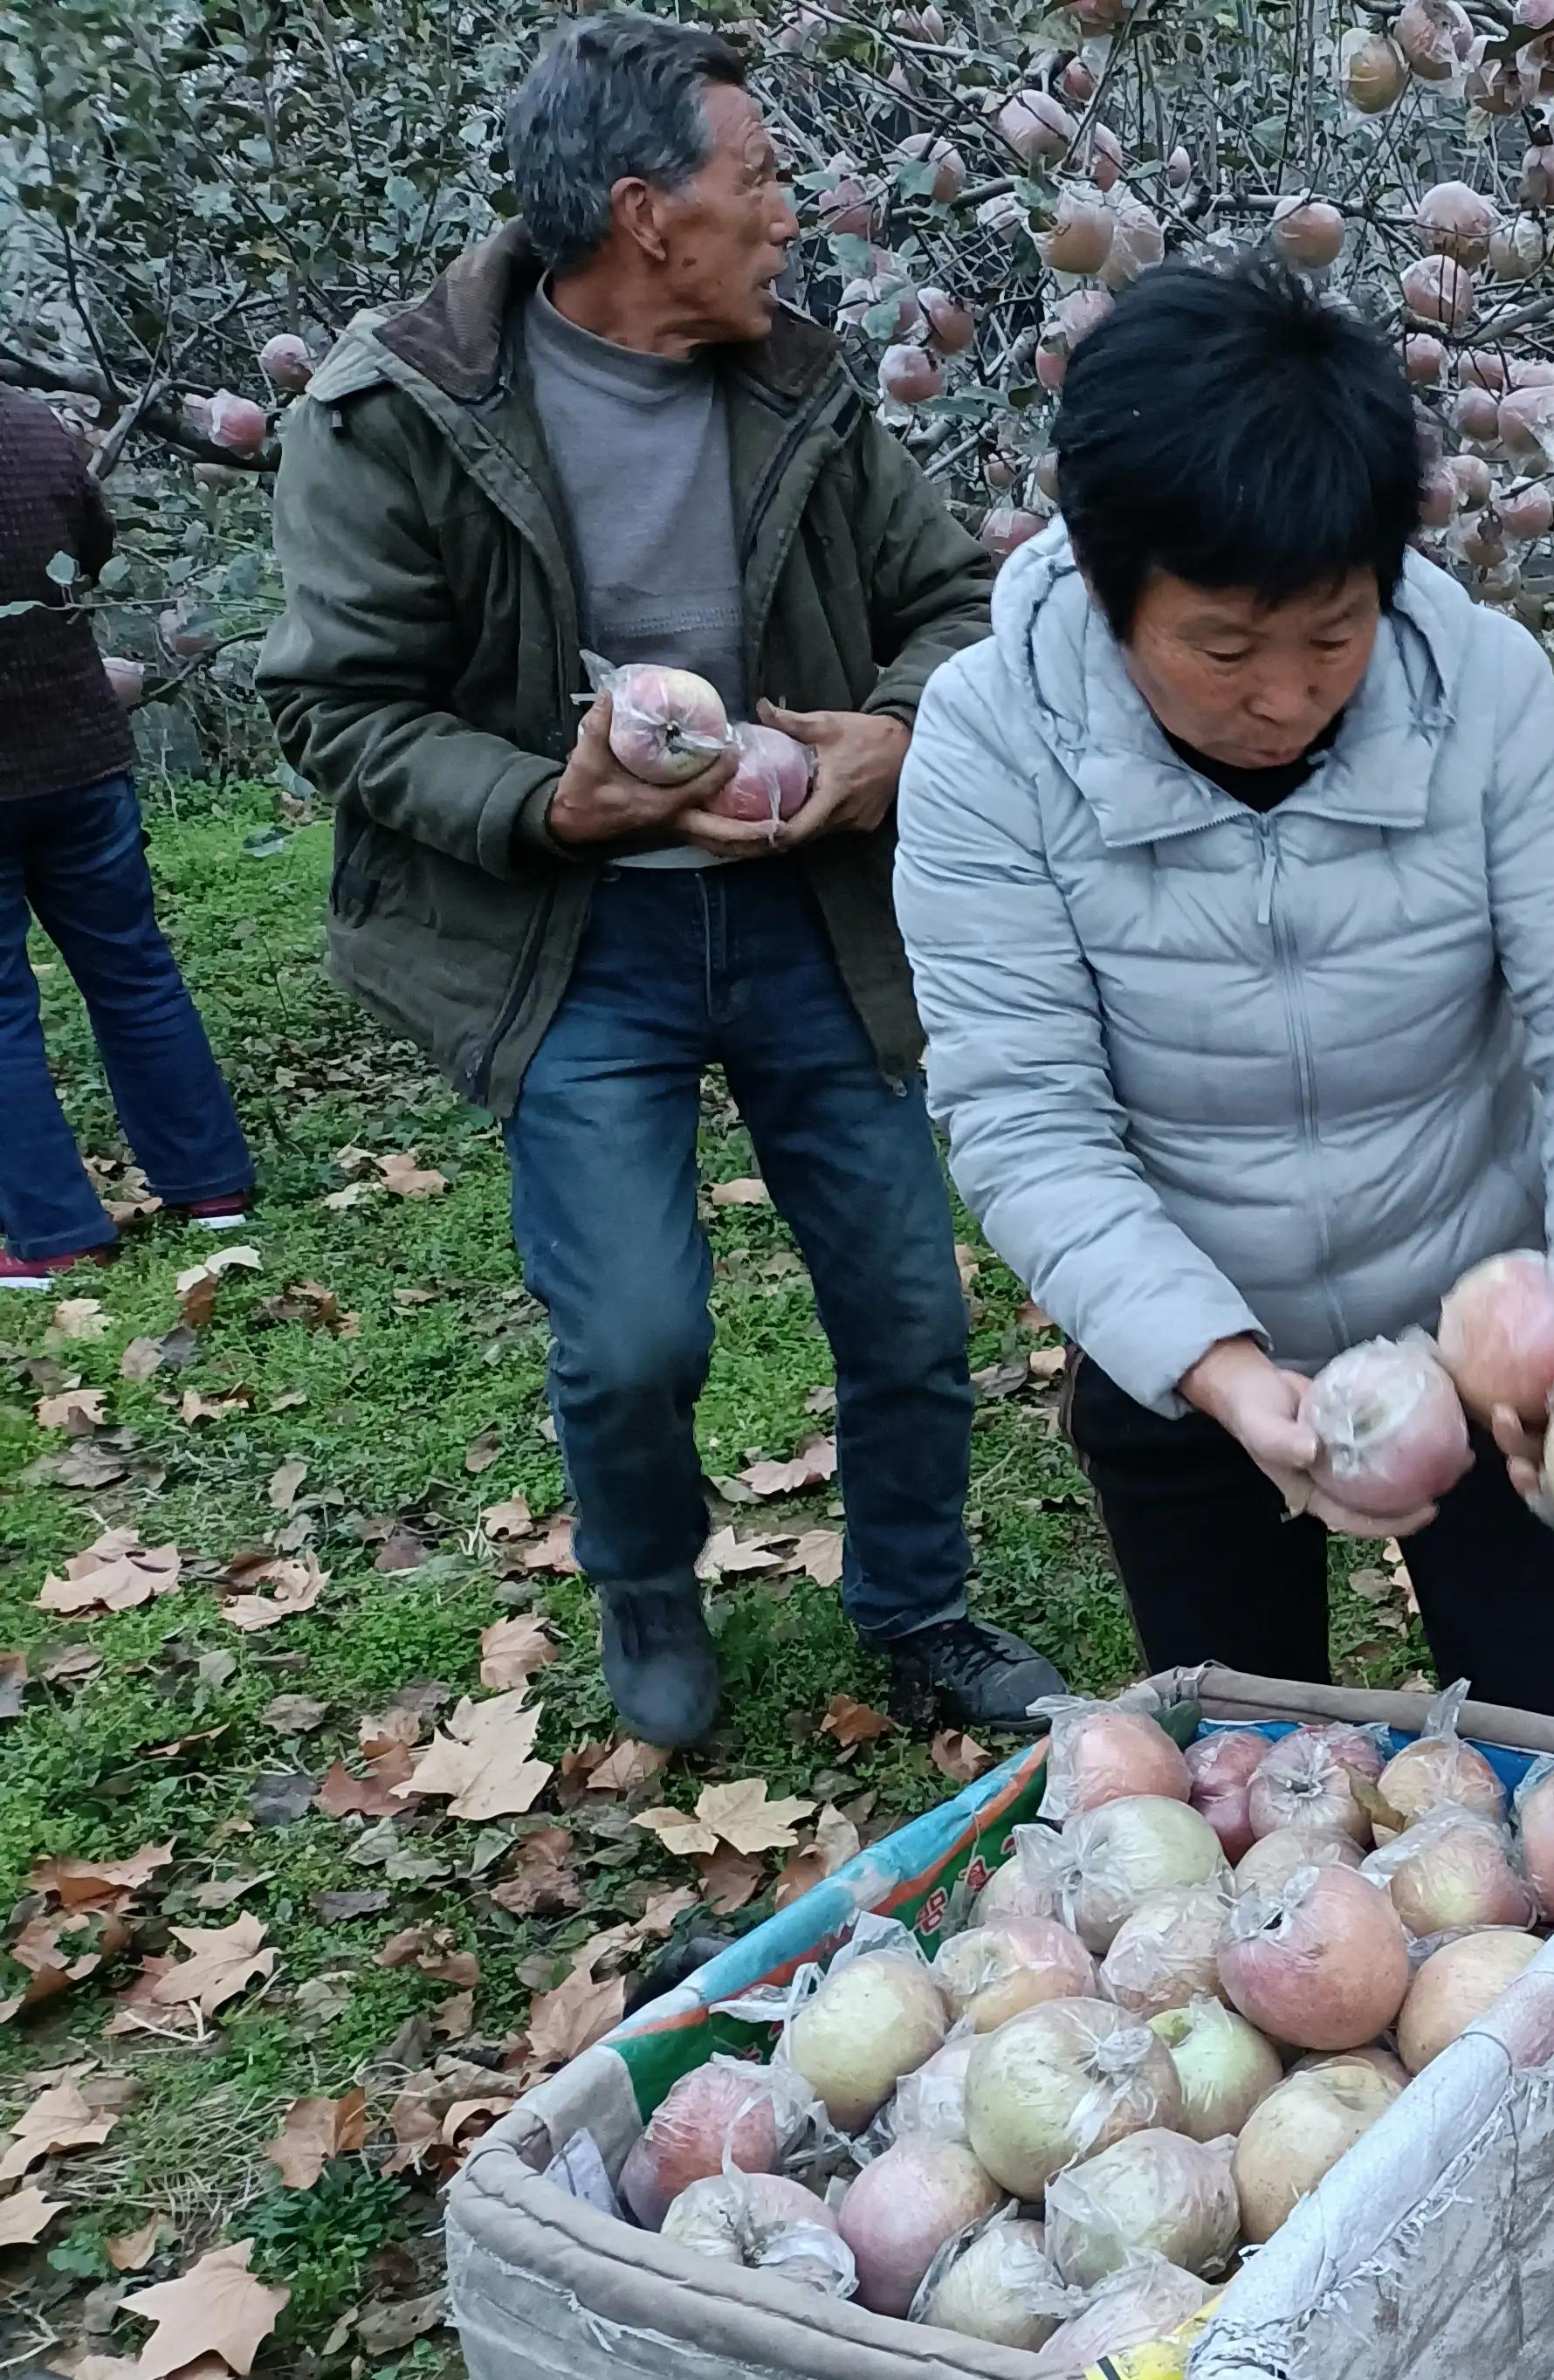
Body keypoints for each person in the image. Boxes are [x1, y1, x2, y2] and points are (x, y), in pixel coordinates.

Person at [258, 12, 1061, 1746]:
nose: (791, 213)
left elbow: (948, 608)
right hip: (569, 934)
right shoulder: (395, 414)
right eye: (759, 179)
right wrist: (550, 805)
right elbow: (335, 705)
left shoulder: (803, 388)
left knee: (908, 1298)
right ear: (646, 215)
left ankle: (917, 1603)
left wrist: (891, 741)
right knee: (630, 1336)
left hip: (801, 907)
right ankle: (645, 1580)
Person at [892, 259, 1554, 1726]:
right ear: (1101, 580)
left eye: (1333, 637)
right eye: (1223, 647)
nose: (1286, 697)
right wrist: (1211, 1365)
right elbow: (1024, 1116)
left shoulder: (1489, 693)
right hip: (1188, 1337)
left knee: (1551, 1739)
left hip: (1482, 1308)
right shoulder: (986, 745)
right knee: (1255, 1766)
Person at [0, 388, 256, 1284]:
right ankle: (209, 1181)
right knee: (134, 969)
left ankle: (53, 1232)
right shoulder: (33, 425)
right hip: (77, 754)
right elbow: (90, 555)